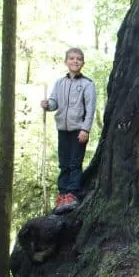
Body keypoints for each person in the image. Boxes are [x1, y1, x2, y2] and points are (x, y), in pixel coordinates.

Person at [40, 47, 97, 208]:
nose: (75, 61)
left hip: (78, 130)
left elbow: (90, 108)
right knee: (63, 163)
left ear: (83, 63)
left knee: (74, 163)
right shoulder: (60, 83)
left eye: (78, 59)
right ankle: (62, 194)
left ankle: (72, 194)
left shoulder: (87, 84)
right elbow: (54, 102)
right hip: (62, 129)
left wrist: (85, 129)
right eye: (71, 58)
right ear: (66, 62)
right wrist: (47, 105)